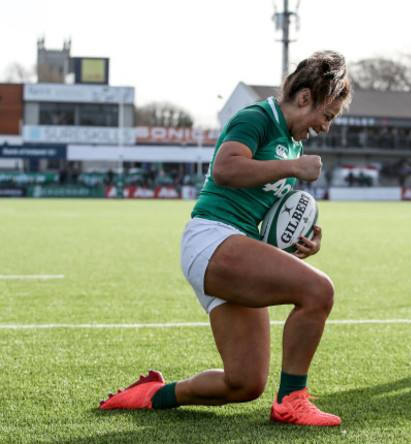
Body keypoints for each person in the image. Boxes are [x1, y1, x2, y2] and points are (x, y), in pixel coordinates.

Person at [98, 50, 352, 426]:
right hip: (212, 238)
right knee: (319, 291)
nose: (326, 127)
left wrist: (299, 241)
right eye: (326, 115)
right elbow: (225, 169)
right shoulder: (258, 117)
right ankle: (292, 401)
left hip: (232, 248)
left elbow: (267, 217)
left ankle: (153, 394)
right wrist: (294, 167)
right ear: (304, 97)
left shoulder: (292, 141)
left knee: (244, 383)